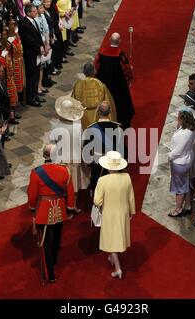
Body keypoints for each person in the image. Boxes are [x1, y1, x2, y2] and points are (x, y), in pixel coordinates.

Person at [27, 143, 76, 283]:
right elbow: (70, 193)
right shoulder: (65, 170)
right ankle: (54, 259)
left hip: (43, 212)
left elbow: (32, 194)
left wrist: (31, 208)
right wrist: (70, 208)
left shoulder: (36, 172)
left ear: (44, 155)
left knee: (45, 243)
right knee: (57, 237)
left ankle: (50, 274)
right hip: (60, 210)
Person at [94, 151, 135, 279]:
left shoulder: (102, 180)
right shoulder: (127, 177)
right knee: (117, 236)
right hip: (123, 212)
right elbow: (131, 197)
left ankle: (118, 269)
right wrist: (132, 211)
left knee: (111, 240)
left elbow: (97, 201)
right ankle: (112, 257)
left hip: (109, 214)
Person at [50, 95, 89, 216]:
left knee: (62, 185)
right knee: (74, 185)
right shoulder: (77, 126)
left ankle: (62, 207)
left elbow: (52, 143)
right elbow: (82, 143)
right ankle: (73, 206)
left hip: (60, 159)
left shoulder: (55, 126)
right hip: (74, 159)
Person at [95, 32, 134, 129]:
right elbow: (127, 71)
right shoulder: (121, 55)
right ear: (119, 41)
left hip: (105, 87)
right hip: (118, 88)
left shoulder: (102, 53)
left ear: (109, 40)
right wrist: (129, 81)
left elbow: (96, 68)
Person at [83, 101, 124, 192]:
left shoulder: (91, 128)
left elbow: (86, 152)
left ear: (98, 112)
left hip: (97, 163)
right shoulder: (117, 128)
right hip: (113, 163)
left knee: (98, 187)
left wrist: (89, 165)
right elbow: (121, 150)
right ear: (110, 112)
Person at [71, 62, 117, 129]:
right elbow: (108, 101)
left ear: (84, 72)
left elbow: (73, 101)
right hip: (97, 116)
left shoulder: (78, 85)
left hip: (83, 116)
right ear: (93, 72)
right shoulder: (101, 85)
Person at [168, 110, 195, 217]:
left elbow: (178, 151)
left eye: (178, 117)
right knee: (186, 183)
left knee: (179, 188)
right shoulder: (188, 130)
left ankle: (178, 209)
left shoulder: (185, 134)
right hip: (186, 160)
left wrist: (169, 156)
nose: (176, 119)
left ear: (182, 120)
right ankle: (188, 205)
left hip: (180, 162)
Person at [19, 4, 45, 107]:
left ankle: (35, 94)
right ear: (28, 12)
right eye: (34, 11)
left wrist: (42, 46)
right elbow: (28, 40)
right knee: (31, 76)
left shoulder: (33, 20)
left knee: (36, 74)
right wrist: (39, 48)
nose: (36, 12)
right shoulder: (24, 24)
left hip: (36, 53)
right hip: (30, 54)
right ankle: (30, 98)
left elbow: (38, 36)